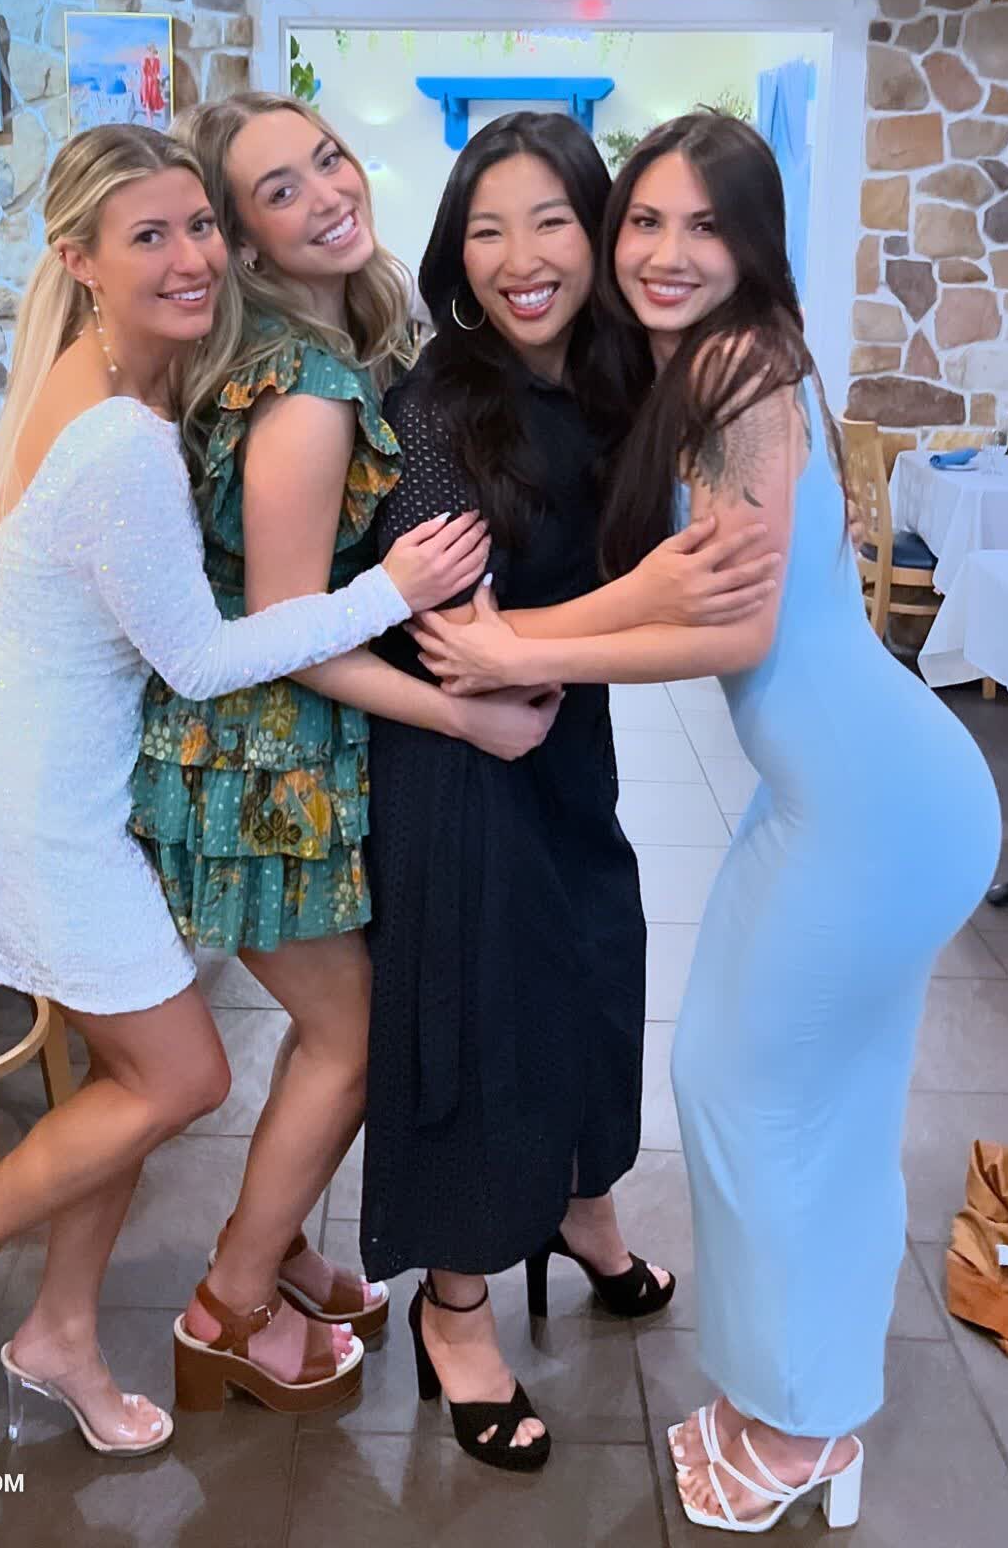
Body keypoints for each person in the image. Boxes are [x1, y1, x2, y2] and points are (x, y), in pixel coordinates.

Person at [0, 123, 490, 1452]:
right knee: (179, 1078)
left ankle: (59, 1333)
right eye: (152, 237)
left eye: (198, 227)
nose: (191, 258)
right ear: (80, 260)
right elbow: (203, 660)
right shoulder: (122, 436)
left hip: (64, 788)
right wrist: (392, 590)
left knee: (129, 1075)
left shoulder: (118, 381)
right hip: (41, 813)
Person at [412, 112, 1001, 1529]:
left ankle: (799, 1430)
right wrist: (520, 643)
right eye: (647, 223)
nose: (666, 253)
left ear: (753, 245)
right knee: (811, 1105)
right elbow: (695, 585)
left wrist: (514, 648)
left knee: (750, 1097)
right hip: (841, 795)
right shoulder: (707, 368)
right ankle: (799, 1397)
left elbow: (730, 630)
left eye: (705, 226)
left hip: (872, 805)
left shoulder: (737, 364)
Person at [362, 112, 780, 1471]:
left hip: (565, 734)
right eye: (487, 230)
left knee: (600, 965)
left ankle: (582, 1208)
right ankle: (455, 1308)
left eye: (551, 220)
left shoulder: (618, 382)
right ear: (457, 253)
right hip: (458, 754)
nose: (520, 258)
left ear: (594, 235)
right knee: (479, 1011)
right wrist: (641, 595)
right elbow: (453, 637)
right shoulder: (442, 403)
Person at [131, 93, 560, 1414]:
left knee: (336, 1028)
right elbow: (283, 635)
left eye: (326, 158)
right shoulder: (309, 391)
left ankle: (273, 1253)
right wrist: (464, 713)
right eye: (279, 189)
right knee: (355, 1037)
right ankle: (227, 1309)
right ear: (244, 239)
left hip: (279, 759)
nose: (326, 191)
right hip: (261, 766)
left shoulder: (337, 341)